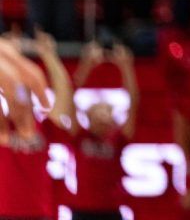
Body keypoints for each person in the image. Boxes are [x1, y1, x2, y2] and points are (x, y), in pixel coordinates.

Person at [0, 32, 71, 220]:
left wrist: (49, 54)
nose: (16, 101)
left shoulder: (46, 128)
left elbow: (64, 89)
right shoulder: (4, 129)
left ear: (32, 102)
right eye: (11, 97)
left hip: (39, 214)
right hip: (7, 214)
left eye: (22, 98)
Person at [67, 41, 140, 220]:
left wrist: (126, 66)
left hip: (111, 210)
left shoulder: (118, 140)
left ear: (112, 119)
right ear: (88, 116)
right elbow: (69, 96)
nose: (102, 112)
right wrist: (86, 65)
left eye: (107, 109)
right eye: (98, 108)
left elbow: (134, 103)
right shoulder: (80, 137)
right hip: (83, 209)